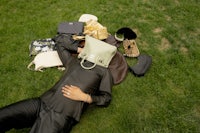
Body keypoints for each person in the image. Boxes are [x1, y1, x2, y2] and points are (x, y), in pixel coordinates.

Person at [0, 34, 127, 133]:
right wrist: (79, 50)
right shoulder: (74, 62)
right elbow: (59, 41)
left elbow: (106, 99)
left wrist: (85, 97)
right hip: (41, 102)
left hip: (60, 115)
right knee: (3, 115)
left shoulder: (104, 72)